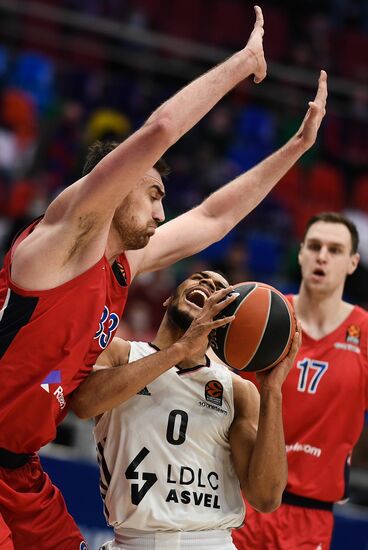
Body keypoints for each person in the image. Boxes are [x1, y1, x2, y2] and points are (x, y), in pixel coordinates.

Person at [0, 6, 328, 546]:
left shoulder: (120, 264)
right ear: (116, 183)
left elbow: (212, 219)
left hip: (22, 470)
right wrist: (243, 62)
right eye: (154, 195)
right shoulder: (59, 239)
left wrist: (295, 149)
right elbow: (162, 128)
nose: (160, 214)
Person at [69, 270, 301, 550]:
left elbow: (266, 499)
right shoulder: (120, 354)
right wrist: (179, 350)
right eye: (198, 278)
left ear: (224, 322)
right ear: (168, 299)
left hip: (211, 541)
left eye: (219, 289)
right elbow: (82, 404)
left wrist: (272, 392)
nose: (207, 284)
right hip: (134, 541)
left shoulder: (236, 391)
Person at [232, 212, 368, 550]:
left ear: (352, 263)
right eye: (315, 246)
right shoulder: (265, 316)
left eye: (335, 250)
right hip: (241, 502)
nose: (322, 255)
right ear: (301, 254)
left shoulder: (365, 334)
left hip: (311, 517)